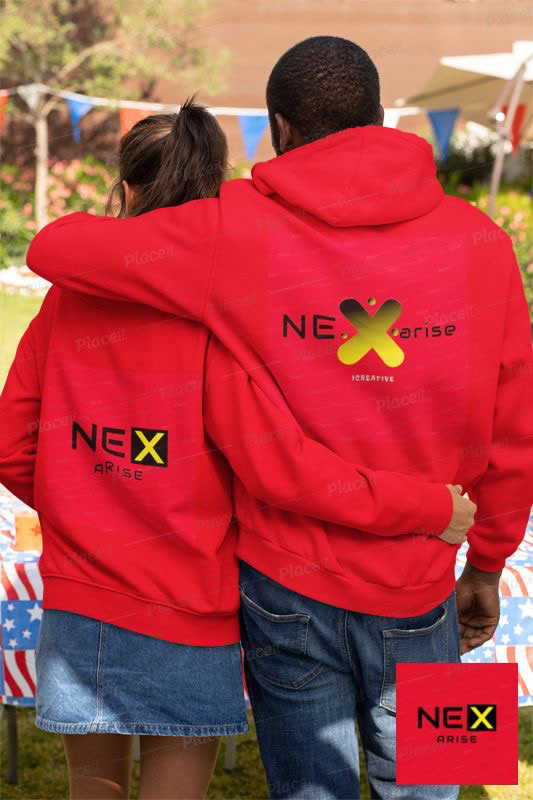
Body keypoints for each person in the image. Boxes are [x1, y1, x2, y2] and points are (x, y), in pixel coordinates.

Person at [25, 35, 533, 800]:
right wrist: (487, 564)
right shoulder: (483, 242)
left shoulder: (233, 227)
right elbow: (514, 429)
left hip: (287, 587)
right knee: (445, 781)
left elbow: (56, 250)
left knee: (308, 790)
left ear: (281, 130)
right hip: (427, 573)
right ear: (379, 119)